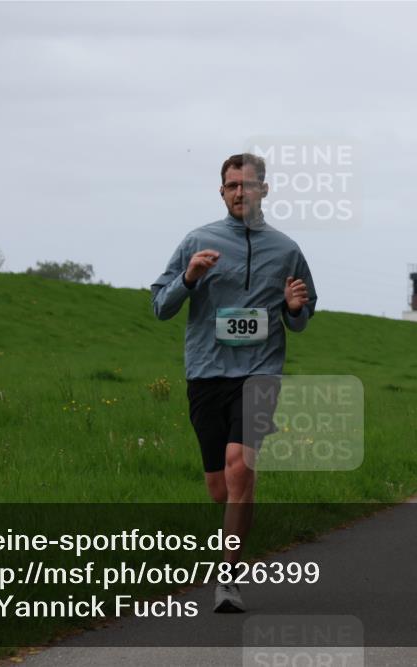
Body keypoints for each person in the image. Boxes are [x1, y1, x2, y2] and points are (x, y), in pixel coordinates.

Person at [151, 153, 317, 612]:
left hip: (261, 370)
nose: (239, 192)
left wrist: (294, 306)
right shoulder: (196, 240)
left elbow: (302, 319)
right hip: (206, 371)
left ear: (265, 189)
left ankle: (228, 580)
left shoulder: (286, 250)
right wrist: (189, 278)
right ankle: (237, 523)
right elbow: (161, 307)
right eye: (231, 186)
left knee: (239, 466)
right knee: (220, 485)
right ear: (221, 192)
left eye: (247, 185)